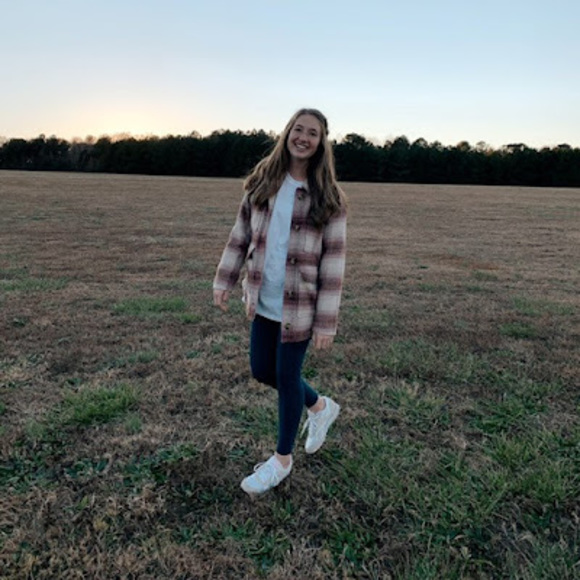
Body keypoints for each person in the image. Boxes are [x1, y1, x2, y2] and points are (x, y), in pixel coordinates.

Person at [213, 108, 347, 496]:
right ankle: (319, 406)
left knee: (287, 376)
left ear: (322, 142)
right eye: (298, 129)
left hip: (301, 306)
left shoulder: (329, 198)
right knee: (261, 370)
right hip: (263, 298)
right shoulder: (263, 183)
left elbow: (334, 264)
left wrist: (326, 321)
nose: (303, 137)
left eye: (313, 133)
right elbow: (240, 235)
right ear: (287, 133)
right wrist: (225, 278)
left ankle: (281, 461)